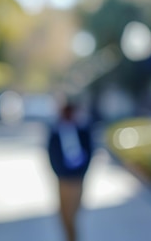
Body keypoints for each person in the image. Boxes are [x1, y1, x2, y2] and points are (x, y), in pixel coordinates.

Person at [47, 95, 94, 241]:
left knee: (74, 213)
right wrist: (60, 174)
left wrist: (81, 173)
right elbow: (51, 154)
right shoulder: (56, 132)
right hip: (63, 179)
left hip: (77, 178)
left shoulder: (83, 131)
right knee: (64, 214)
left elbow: (90, 152)